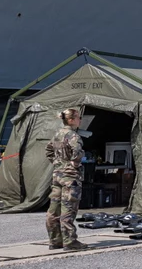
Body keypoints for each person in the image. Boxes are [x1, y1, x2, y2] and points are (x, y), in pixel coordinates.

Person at [46, 107, 89, 252]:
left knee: (54, 208)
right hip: (70, 178)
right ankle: (70, 242)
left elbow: (49, 150)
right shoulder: (73, 136)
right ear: (71, 120)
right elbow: (77, 153)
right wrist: (72, 166)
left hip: (57, 176)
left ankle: (55, 240)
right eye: (78, 117)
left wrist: (58, 164)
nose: (80, 120)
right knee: (68, 208)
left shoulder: (57, 134)